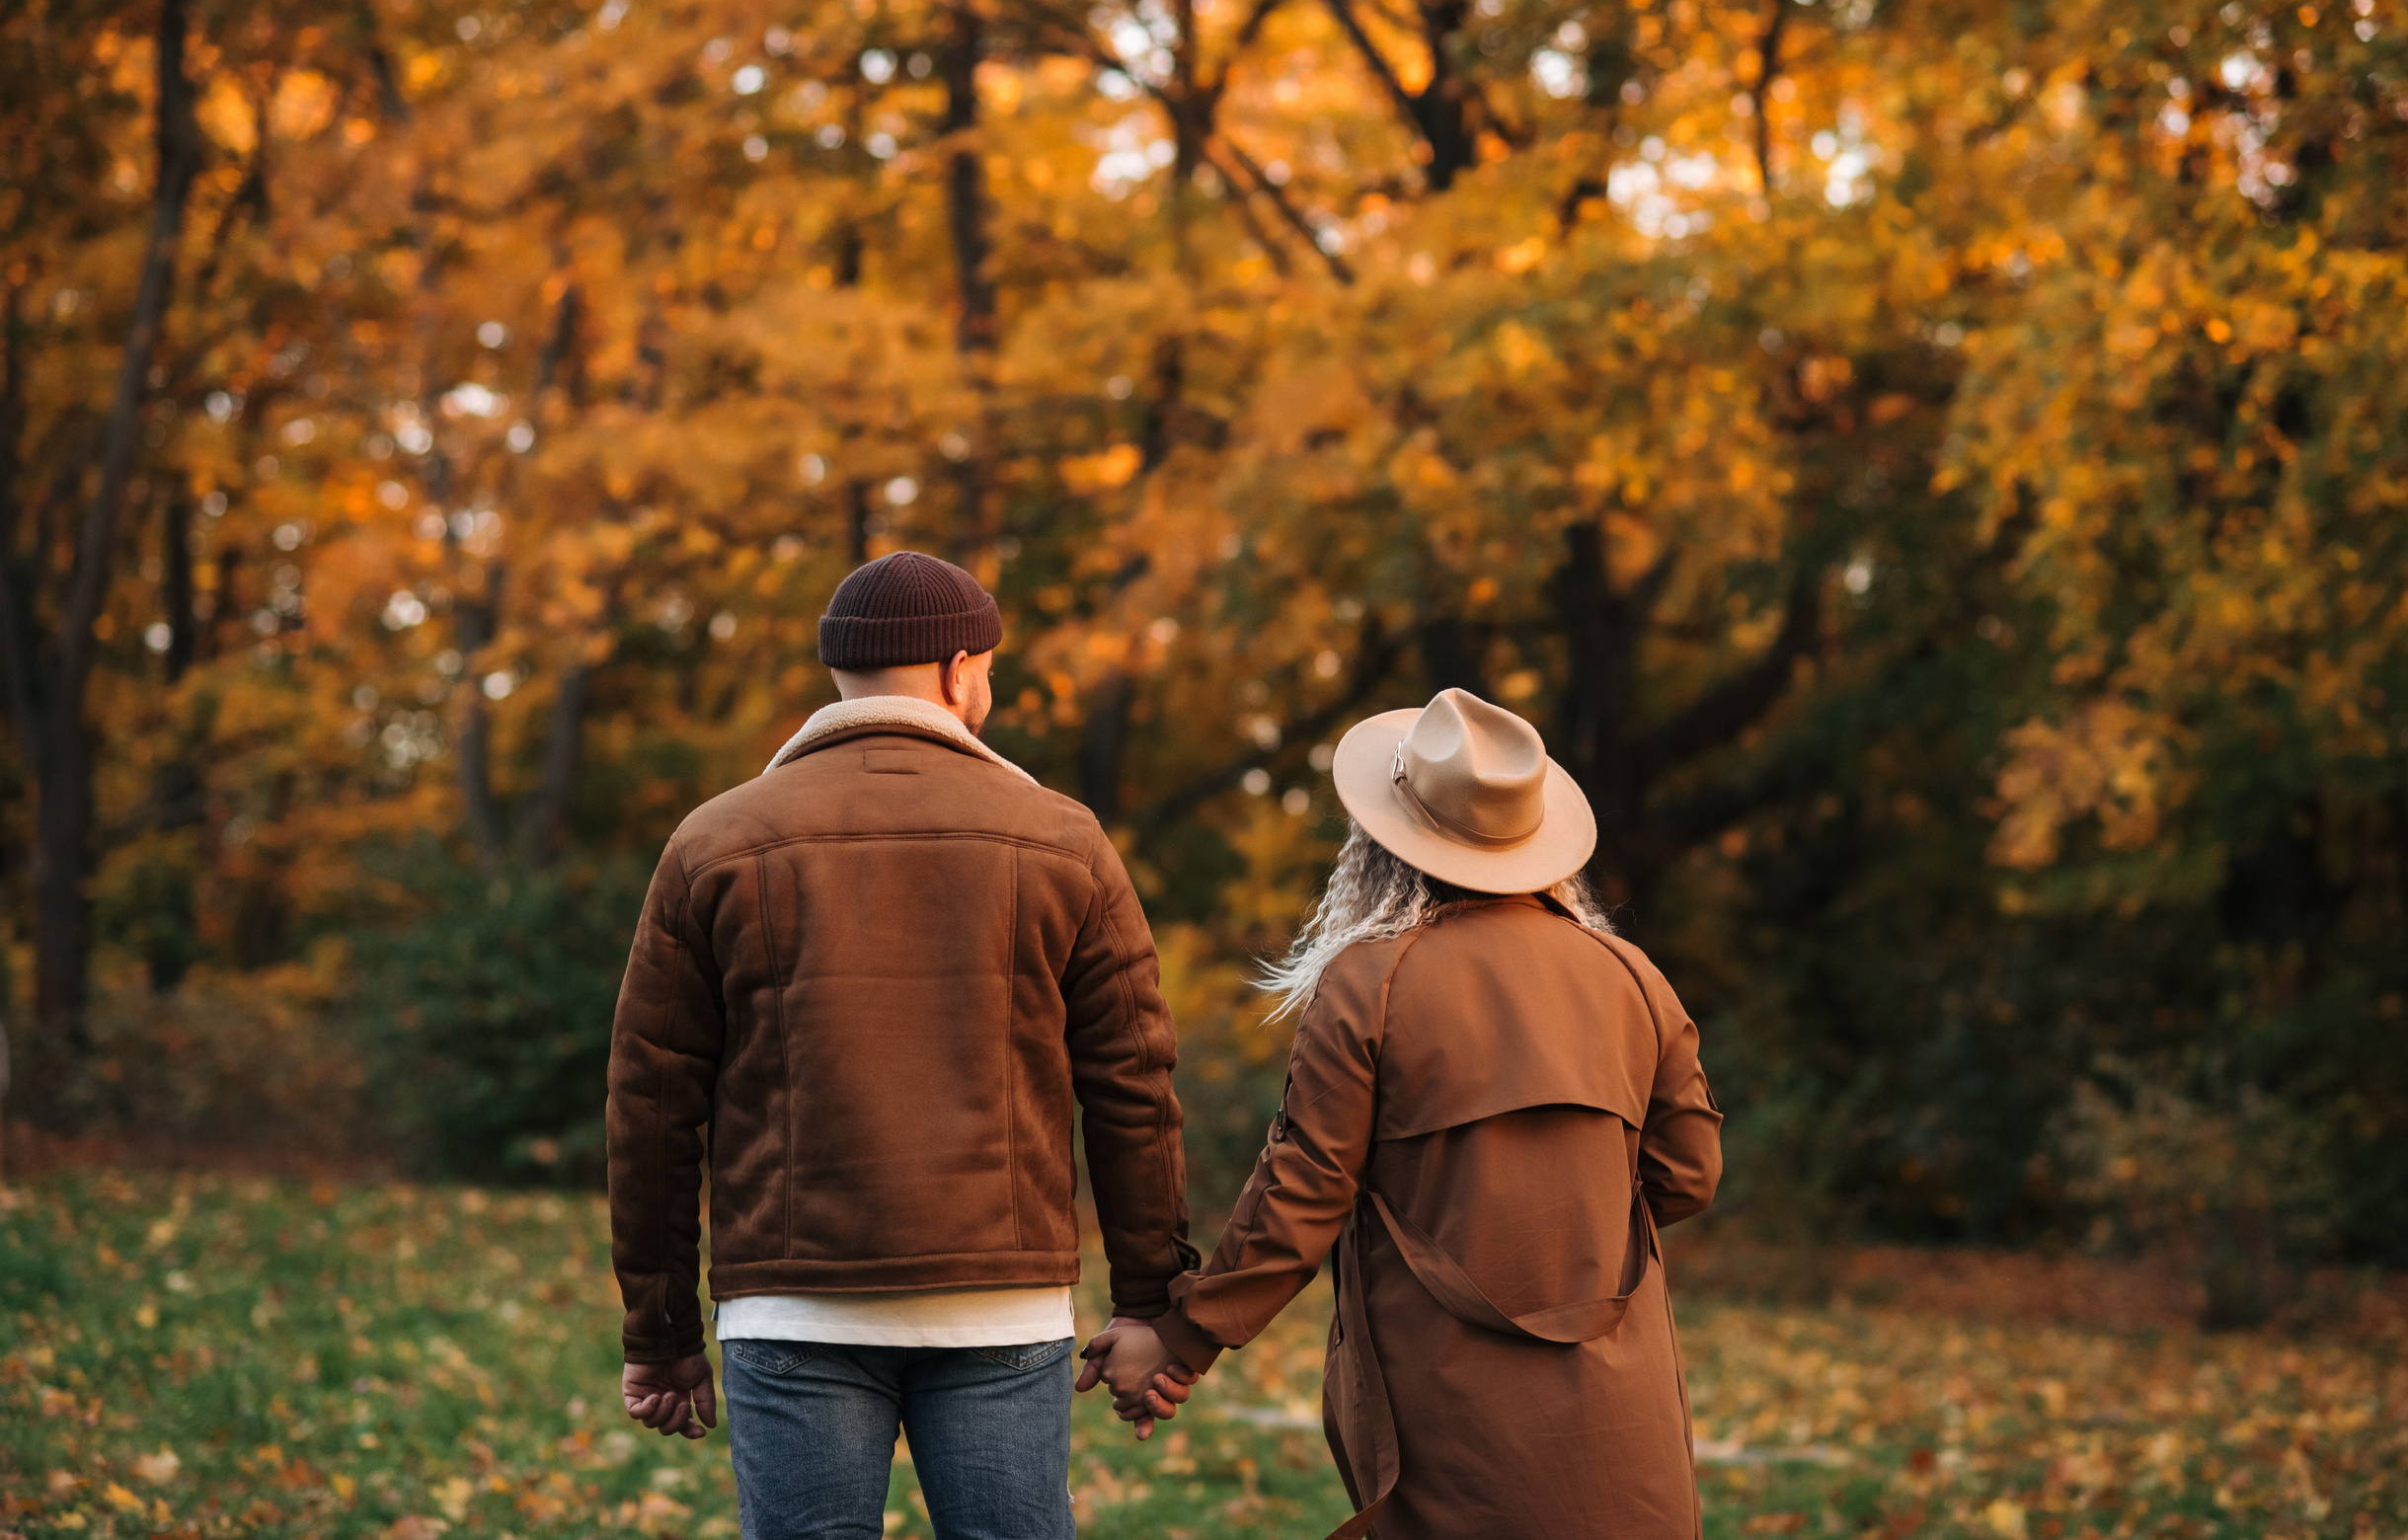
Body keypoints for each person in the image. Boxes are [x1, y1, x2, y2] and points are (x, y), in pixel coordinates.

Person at [606, 550, 1200, 1540]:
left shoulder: (714, 840)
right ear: (960, 669)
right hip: (1000, 1310)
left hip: (792, 1307)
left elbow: (652, 1104)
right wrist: (1150, 1303)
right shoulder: (1064, 839)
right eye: (990, 672)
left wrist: (660, 1331)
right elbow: (1133, 1084)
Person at [1083, 688, 1726, 1540]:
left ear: (1383, 845)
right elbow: (1689, 1174)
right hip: (1621, 1424)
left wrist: (1178, 1339)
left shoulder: (1369, 985)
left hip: (1451, 1411)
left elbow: (1299, 1198)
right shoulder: (1634, 978)